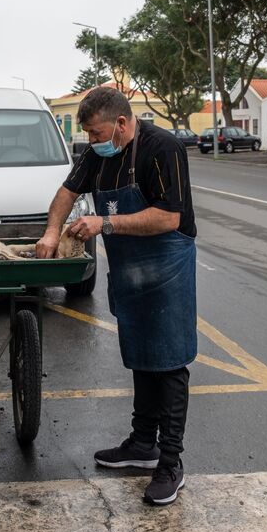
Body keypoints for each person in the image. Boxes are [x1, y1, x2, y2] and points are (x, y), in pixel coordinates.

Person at [36, 87, 197, 506]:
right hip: (129, 265)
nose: (91, 141)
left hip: (167, 263)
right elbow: (66, 193)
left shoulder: (163, 148)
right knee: (141, 355)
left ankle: (171, 462)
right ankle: (143, 443)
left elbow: (168, 215)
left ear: (122, 124)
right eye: (89, 135)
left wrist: (104, 223)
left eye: (96, 133)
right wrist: (52, 231)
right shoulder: (97, 157)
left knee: (170, 361)